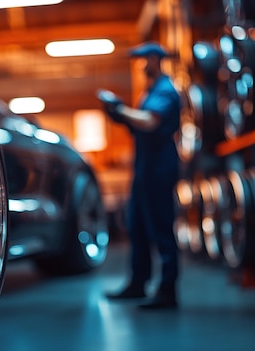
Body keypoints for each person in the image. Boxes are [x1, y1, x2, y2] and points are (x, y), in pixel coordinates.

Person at [98, 42, 181, 309]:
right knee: (138, 227)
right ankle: (138, 283)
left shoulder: (165, 90)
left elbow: (150, 121)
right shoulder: (150, 91)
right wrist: (121, 116)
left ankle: (168, 290)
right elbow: (140, 123)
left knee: (160, 227)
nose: (142, 65)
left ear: (156, 59)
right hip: (145, 168)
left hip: (159, 167)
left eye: (145, 59)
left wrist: (119, 110)